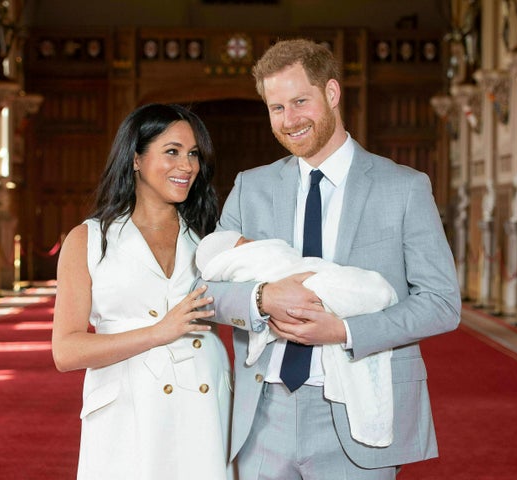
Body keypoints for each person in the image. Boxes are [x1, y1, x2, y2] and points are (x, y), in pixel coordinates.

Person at [196, 39, 461, 479]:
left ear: (332, 93)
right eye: (276, 107)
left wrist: (344, 330)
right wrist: (263, 298)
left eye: (300, 101)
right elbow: (206, 290)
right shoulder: (251, 188)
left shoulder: (404, 187)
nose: (289, 119)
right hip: (265, 413)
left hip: (358, 411)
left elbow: (441, 302)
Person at [52, 103, 233, 480]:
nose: (187, 166)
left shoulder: (209, 236)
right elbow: (66, 351)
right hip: (126, 410)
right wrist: (156, 333)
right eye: (172, 151)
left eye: (193, 154)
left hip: (204, 403)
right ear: (136, 158)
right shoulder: (88, 239)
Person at [196, 230, 398, 447]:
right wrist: (262, 298)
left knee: (345, 285)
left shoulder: (405, 195)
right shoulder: (243, 210)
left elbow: (437, 299)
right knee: (337, 289)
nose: (253, 242)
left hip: (338, 395)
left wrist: (344, 331)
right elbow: (202, 292)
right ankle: (374, 292)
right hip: (265, 403)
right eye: (245, 242)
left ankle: (375, 292)